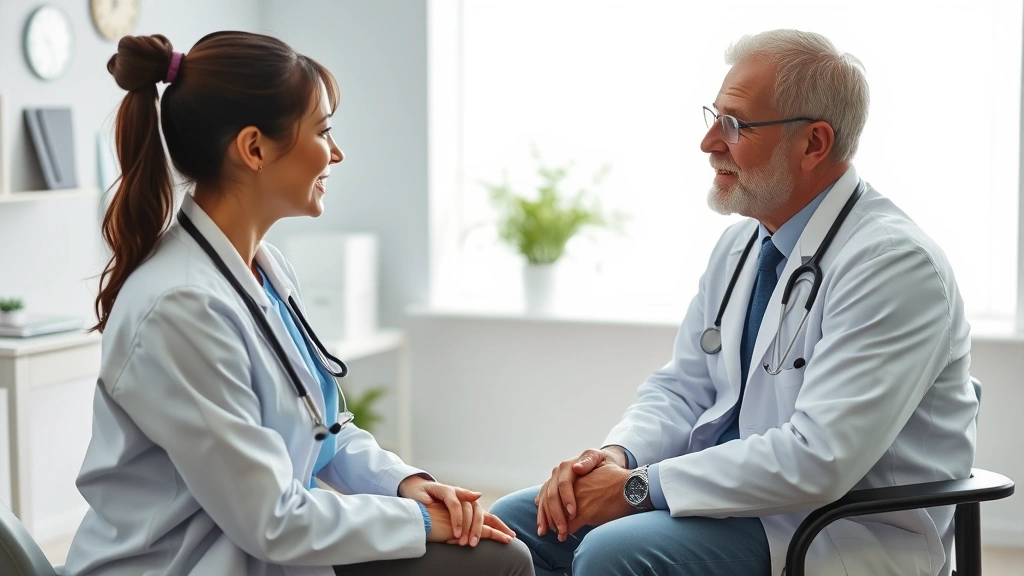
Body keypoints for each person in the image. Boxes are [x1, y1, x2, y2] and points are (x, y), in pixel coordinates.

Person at [491, 29, 976, 576]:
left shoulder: (893, 265)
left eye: (735, 124)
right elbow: (683, 389)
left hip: (829, 528)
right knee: (512, 526)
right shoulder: (743, 243)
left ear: (814, 143)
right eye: (713, 116)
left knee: (613, 553)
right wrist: (616, 458)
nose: (708, 142)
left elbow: (819, 459)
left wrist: (635, 489)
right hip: (733, 503)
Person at [61, 31, 534, 576]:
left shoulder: (264, 269)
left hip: (264, 548)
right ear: (254, 148)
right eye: (323, 130)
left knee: (499, 553)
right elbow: (272, 521)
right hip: (188, 564)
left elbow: (321, 429)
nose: (336, 152)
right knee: (497, 563)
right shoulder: (181, 306)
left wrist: (408, 487)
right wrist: (422, 523)